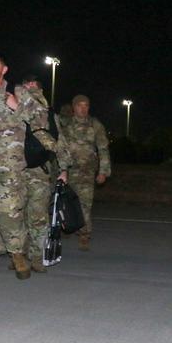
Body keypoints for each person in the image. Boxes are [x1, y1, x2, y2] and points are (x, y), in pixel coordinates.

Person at [0, 53, 68, 281]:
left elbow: (41, 121)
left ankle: (18, 256)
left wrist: (17, 107)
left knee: (10, 214)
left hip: (12, 168)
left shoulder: (19, 93)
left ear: (4, 69)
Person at [18, 75, 57, 272]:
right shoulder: (14, 107)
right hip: (18, 170)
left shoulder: (47, 112)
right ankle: (20, 255)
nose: (30, 87)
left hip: (39, 171)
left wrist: (64, 169)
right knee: (17, 214)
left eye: (34, 85)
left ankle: (36, 257)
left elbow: (59, 139)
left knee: (38, 216)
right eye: (27, 84)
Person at [62, 94, 111, 250]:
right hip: (68, 171)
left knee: (85, 204)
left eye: (86, 106)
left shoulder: (95, 125)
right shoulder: (66, 125)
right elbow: (60, 148)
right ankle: (67, 227)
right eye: (79, 105)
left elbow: (103, 148)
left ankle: (84, 234)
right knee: (66, 203)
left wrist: (103, 171)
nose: (83, 109)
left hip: (86, 172)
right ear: (74, 107)